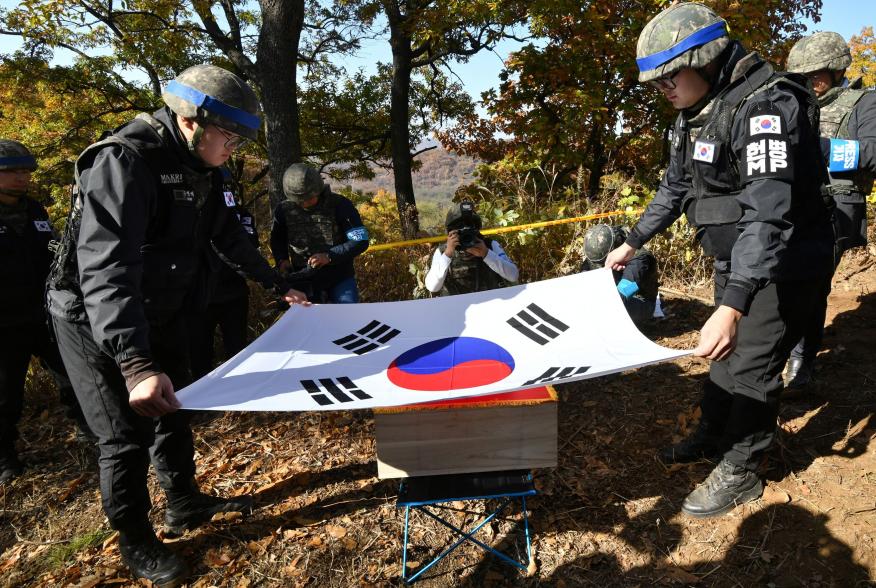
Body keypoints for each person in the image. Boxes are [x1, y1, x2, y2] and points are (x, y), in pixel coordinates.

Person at [46, 65, 308, 586]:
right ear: (191, 122)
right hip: (92, 316)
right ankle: (136, 540)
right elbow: (106, 269)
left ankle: (183, 502)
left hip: (158, 308)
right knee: (124, 434)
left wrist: (278, 285)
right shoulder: (124, 162)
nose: (233, 147)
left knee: (173, 408)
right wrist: (135, 362)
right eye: (228, 136)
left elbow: (229, 237)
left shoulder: (202, 167)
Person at [604, 3, 834, 518]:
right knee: (723, 358)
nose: (662, 89)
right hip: (735, 258)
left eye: (669, 76)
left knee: (753, 363)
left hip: (781, 261)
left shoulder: (764, 108)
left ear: (704, 59)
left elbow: (768, 215)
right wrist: (633, 241)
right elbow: (677, 184)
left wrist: (733, 304)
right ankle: (712, 433)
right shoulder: (697, 110)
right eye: (654, 82)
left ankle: (741, 467)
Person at [783, 32, 876, 388]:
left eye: (819, 73)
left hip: (838, 204)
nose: (812, 81)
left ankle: (801, 362)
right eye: (805, 75)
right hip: (794, 201)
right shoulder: (794, 101)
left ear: (838, 70)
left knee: (812, 279)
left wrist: (817, 148)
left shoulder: (864, 103)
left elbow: (872, 154)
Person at [0, 139, 91, 484]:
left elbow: (55, 253)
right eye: (11, 172)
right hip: (5, 324)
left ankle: (89, 429)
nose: (21, 178)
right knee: (7, 394)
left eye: (25, 171)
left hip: (45, 314)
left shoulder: (35, 210)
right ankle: (5, 458)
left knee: (73, 375)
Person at [187, 168, 258, 380]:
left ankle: (239, 397)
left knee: (237, 349)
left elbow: (249, 244)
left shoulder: (241, 215)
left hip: (233, 294)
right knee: (200, 353)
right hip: (199, 297)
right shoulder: (188, 216)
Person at [270, 163, 369, 304]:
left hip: (339, 277)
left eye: (309, 198)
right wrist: (282, 260)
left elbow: (360, 241)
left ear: (318, 190)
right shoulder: (283, 210)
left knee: (347, 318)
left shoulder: (340, 204)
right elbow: (277, 239)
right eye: (300, 200)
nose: (304, 203)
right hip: (303, 279)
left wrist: (329, 256)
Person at [424, 201, 519, 295]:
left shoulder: (489, 245)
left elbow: (513, 275)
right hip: (457, 307)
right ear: (450, 233)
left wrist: (486, 254)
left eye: (470, 228)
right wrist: (447, 255)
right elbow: (432, 287)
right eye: (460, 229)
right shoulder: (443, 251)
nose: (465, 233)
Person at [580, 224, 659, 326]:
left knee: (611, 306)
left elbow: (623, 294)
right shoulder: (598, 253)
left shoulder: (639, 259)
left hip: (640, 302)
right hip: (611, 294)